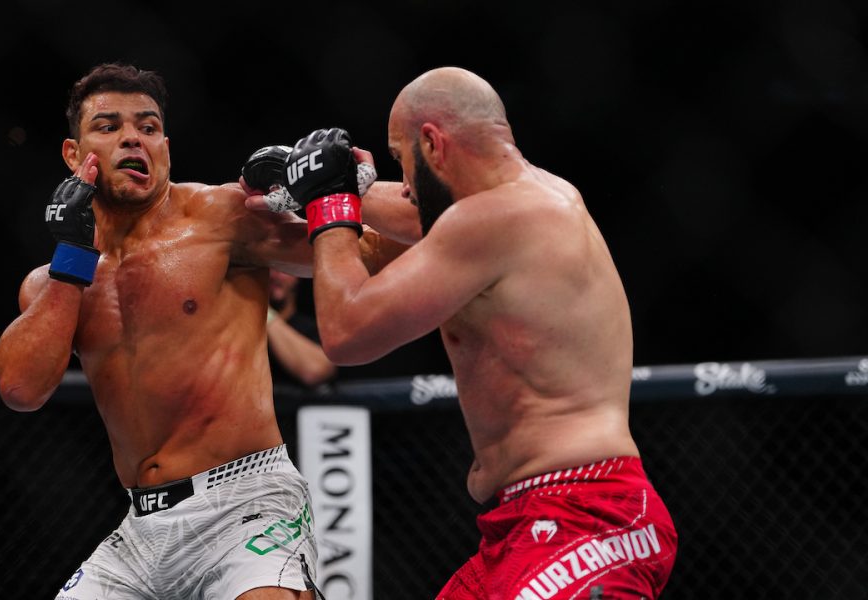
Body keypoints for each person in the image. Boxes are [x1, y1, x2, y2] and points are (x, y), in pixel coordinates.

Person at [0, 63, 411, 600]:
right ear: (75, 155)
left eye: (147, 127)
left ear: (165, 145)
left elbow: (380, 255)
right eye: (108, 126)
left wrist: (349, 191)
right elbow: (20, 390)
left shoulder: (220, 218)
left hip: (249, 501)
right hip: (140, 529)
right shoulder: (55, 282)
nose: (131, 138)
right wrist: (73, 259)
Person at [277, 68, 679, 599]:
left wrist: (329, 203)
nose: (404, 182)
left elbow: (347, 332)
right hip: (527, 521)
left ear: (431, 144)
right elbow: (412, 221)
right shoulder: (531, 199)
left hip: (588, 515)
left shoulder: (495, 219)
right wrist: (304, 182)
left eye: (401, 161)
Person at [266, 269, 337, 388]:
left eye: (281, 268)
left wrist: (266, 314)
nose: (274, 275)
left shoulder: (313, 328)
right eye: (269, 269)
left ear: (297, 276)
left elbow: (317, 371)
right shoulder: (246, 330)